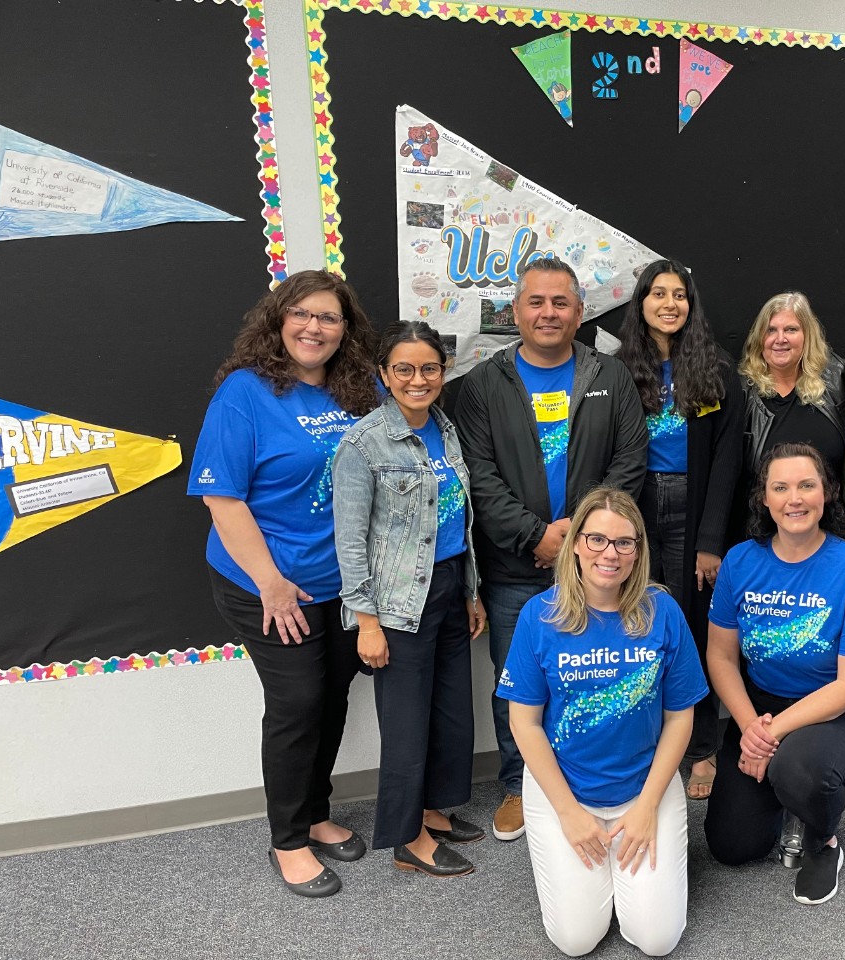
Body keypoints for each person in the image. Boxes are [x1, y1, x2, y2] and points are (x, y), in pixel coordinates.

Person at [187, 270, 379, 898]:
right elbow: (223, 498)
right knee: (298, 703)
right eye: (301, 314)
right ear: (278, 320)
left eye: (328, 317)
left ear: (344, 330)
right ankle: (288, 839)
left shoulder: (360, 389)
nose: (313, 328)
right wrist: (270, 583)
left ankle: (317, 813)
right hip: (265, 583)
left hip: (341, 582)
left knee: (331, 693)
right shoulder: (245, 393)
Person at [456, 257, 649, 841]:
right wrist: (536, 536)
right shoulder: (483, 384)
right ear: (515, 311)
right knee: (517, 682)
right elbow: (478, 477)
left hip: (600, 569)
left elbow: (629, 461)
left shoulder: (609, 376)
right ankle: (519, 785)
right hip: (517, 567)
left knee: (599, 676)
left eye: (560, 303)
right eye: (535, 302)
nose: (547, 313)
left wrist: (581, 539)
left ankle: (599, 781)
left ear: (579, 312)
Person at [498, 487, 708, 957]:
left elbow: (680, 718)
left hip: (644, 786)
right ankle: (595, 866)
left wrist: (647, 806)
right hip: (565, 791)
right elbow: (525, 724)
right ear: (574, 543)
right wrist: (570, 814)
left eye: (623, 543)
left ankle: (622, 866)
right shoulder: (541, 615)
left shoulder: (662, 611)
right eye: (596, 539)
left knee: (657, 940)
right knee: (576, 940)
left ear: (638, 550)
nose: (609, 554)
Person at [705, 443, 845, 906]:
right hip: (764, 706)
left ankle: (822, 840)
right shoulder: (740, 562)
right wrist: (751, 725)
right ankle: (790, 794)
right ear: (764, 499)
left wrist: (768, 737)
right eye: (781, 487)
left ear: (827, 493)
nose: (795, 498)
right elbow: (721, 658)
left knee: (799, 767)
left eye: (807, 485)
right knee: (733, 847)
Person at [332, 321, 488, 878]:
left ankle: (432, 810)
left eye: (429, 368)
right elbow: (349, 541)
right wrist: (366, 620)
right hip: (398, 602)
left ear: (443, 373)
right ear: (384, 374)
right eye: (404, 369)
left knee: (450, 710)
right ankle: (406, 839)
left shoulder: (445, 429)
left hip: (447, 586)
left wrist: (470, 590)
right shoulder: (362, 444)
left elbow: (458, 520)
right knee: (405, 723)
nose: (417, 379)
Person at [617, 260, 741, 800]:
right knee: (639, 623)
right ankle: (648, 742)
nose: (671, 304)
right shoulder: (615, 370)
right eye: (659, 294)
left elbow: (729, 459)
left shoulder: (715, 369)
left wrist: (711, 541)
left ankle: (703, 749)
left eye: (681, 295)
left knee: (693, 629)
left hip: (695, 508)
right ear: (640, 302)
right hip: (637, 508)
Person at [731, 292, 845, 543]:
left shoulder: (838, 379)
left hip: (833, 536)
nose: (780, 339)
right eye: (771, 330)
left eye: (791, 329)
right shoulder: (740, 393)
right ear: (760, 338)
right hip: (762, 538)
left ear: (807, 336)